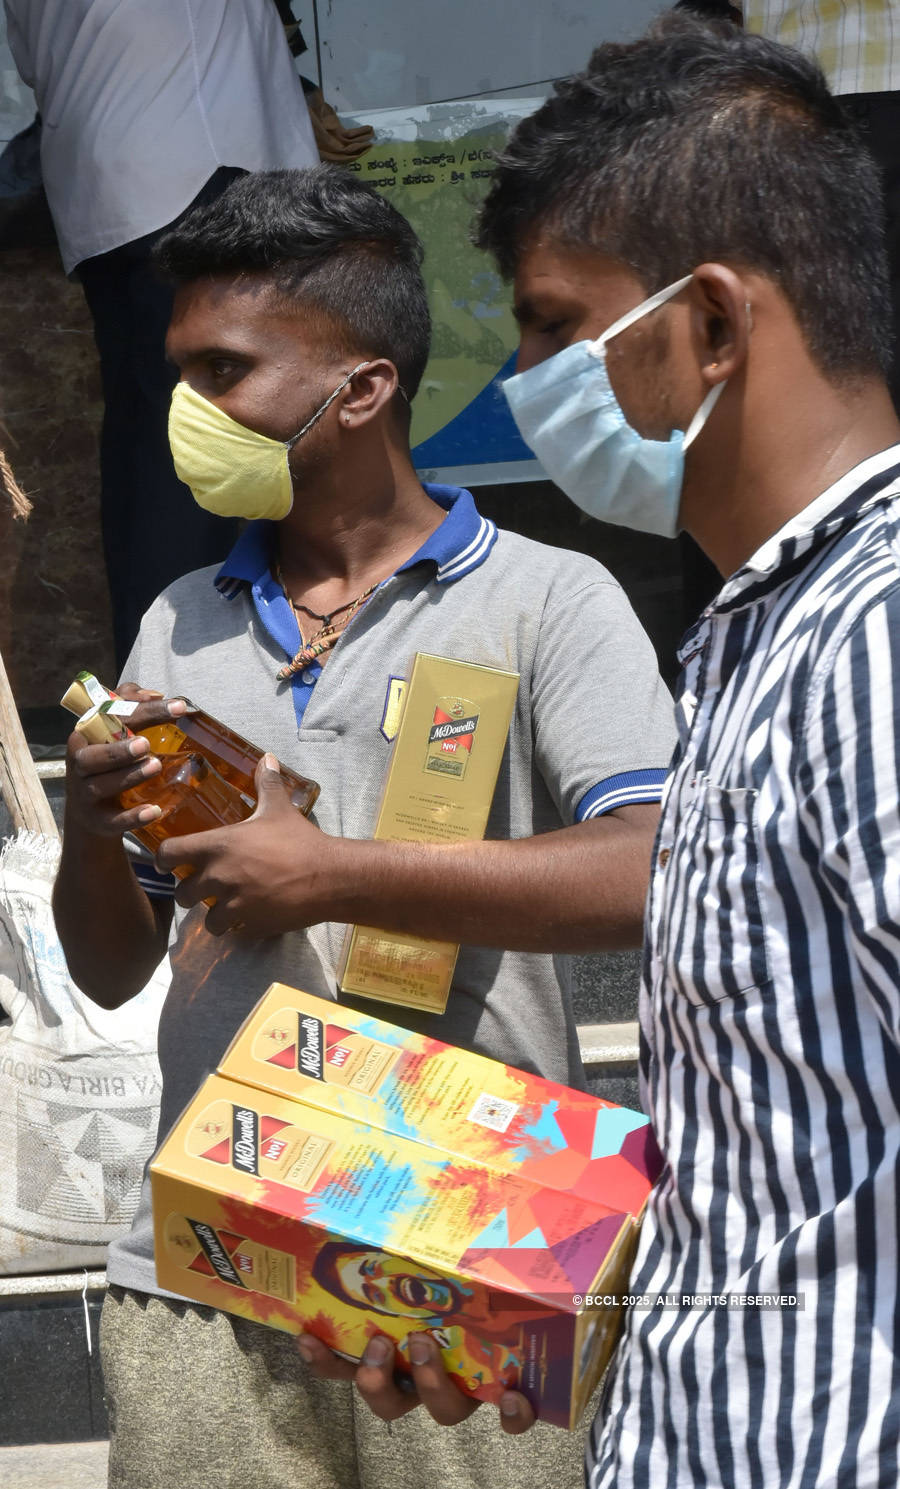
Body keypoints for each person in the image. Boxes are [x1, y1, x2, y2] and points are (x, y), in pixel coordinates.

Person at [336, 13, 900, 1484]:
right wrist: (558, 1270)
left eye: (552, 325)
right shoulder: (762, 635)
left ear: (710, 323)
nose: (524, 380)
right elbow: (813, 1125)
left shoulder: (876, 640)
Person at [52, 166, 675, 1489]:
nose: (189, 409)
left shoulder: (550, 600)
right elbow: (113, 967)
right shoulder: (180, 619)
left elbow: (658, 865)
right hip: (212, 1242)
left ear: (365, 388)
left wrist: (329, 873)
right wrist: (89, 830)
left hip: (463, 1238)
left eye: (223, 370)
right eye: (179, 371)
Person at [3, 0, 319, 670]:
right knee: (210, 449)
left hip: (104, 189)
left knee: (145, 447)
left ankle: (149, 681)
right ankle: (187, 687)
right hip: (195, 171)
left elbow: (31, 64)